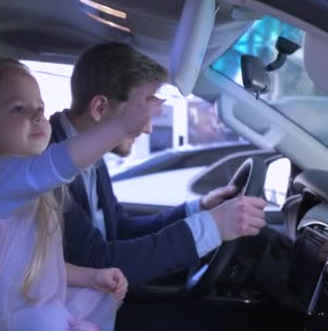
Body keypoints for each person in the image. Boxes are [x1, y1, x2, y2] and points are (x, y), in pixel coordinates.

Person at [0, 58, 159, 330]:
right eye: (18, 109)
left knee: (96, 295)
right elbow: (57, 164)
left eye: (40, 109)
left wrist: (90, 277)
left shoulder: (23, 187)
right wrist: (119, 127)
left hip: (27, 313)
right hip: (2, 322)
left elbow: (41, 266)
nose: (36, 117)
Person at [52, 42, 268, 287]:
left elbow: (120, 229)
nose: (148, 127)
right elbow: (94, 260)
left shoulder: (90, 154)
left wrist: (200, 208)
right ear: (100, 108)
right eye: (140, 110)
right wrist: (212, 226)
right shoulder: (50, 166)